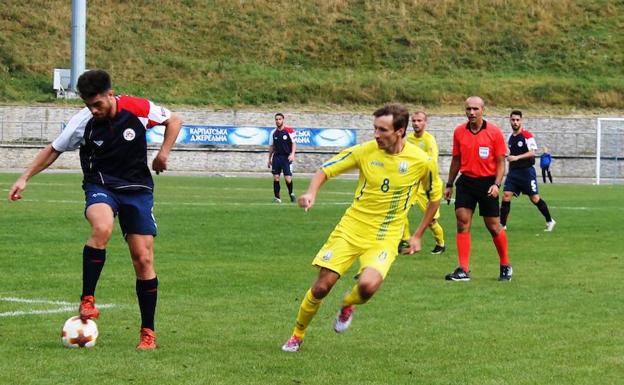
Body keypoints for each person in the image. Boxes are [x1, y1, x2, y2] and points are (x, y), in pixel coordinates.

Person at [7, 69, 182, 349]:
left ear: (111, 95)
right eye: (88, 105)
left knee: (143, 259)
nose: (93, 110)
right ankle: (87, 299)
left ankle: (147, 332)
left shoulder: (138, 109)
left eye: (97, 104)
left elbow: (174, 120)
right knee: (102, 227)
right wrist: (24, 177)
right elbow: (54, 149)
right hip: (101, 185)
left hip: (137, 190)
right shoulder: (83, 121)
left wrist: (163, 154)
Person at [281, 104, 442, 352]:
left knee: (366, 288)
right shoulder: (365, 151)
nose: (376, 134)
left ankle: (348, 303)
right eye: (374, 128)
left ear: (400, 131)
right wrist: (311, 193)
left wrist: (418, 235)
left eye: (382, 129)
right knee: (322, 287)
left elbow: (434, 198)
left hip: (385, 236)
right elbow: (325, 170)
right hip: (351, 229)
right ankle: (297, 334)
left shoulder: (421, 162)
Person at [444, 96, 512, 282]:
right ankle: (463, 269)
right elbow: (456, 160)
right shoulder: (459, 132)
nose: (471, 112)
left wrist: (496, 184)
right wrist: (449, 184)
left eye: (475, 109)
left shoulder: (494, 132)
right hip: (466, 181)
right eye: (468, 109)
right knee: (462, 222)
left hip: (488, 183)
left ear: (483, 110)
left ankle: (505, 265)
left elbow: (500, 163)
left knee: (493, 226)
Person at [500, 111, 556, 231]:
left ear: (521, 121)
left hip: (526, 172)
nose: (515, 122)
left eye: (517, 120)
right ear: (510, 120)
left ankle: (550, 221)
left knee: (535, 198)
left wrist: (517, 157)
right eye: (513, 120)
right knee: (506, 196)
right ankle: (502, 225)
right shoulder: (510, 137)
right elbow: (510, 152)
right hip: (513, 172)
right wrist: (507, 155)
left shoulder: (527, 135)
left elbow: (532, 152)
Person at [399, 111, 446, 254]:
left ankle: (440, 244)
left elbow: (432, 163)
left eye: (419, 120)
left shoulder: (429, 140)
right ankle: (406, 240)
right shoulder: (408, 140)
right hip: (412, 184)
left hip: (427, 186)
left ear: (425, 123)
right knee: (400, 212)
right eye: (414, 121)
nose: (416, 123)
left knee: (431, 221)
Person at [267, 113, 296, 203]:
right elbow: (272, 146)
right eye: (276, 119)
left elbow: (294, 143)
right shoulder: (273, 132)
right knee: (276, 177)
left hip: (286, 157)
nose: (278, 121)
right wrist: (269, 159)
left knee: (288, 179)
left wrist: (292, 154)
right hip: (277, 157)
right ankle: (277, 198)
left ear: (283, 120)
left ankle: (291, 193)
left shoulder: (289, 131)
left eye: (279, 119)